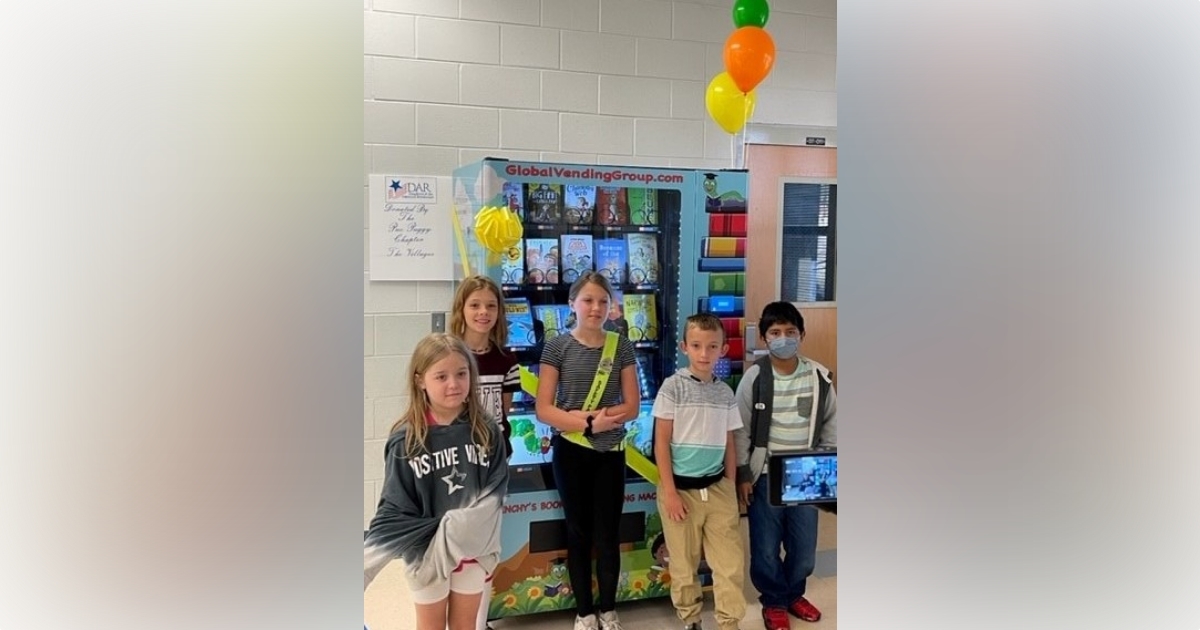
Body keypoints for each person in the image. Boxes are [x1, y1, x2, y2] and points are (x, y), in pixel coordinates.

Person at [364, 333, 510, 630]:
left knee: (465, 626)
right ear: (421, 381)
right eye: (441, 376)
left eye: (461, 373)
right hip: (425, 552)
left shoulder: (487, 432)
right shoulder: (406, 440)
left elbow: (495, 496)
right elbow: (394, 509)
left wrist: (456, 531)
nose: (453, 384)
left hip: (473, 549)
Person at [535, 271, 641, 630]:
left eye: (602, 301)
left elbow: (633, 406)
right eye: (588, 300)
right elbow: (544, 409)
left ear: (611, 307)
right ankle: (584, 613)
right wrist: (587, 424)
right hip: (571, 451)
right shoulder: (557, 347)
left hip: (611, 453)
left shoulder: (621, 345)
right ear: (572, 304)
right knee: (577, 531)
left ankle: (608, 610)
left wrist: (598, 419)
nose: (595, 307)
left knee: (607, 533)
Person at [734, 302, 837, 630]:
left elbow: (832, 423)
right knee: (765, 546)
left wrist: (827, 467)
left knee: (804, 548)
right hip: (765, 475)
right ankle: (774, 600)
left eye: (790, 332)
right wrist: (743, 473)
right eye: (775, 333)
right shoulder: (754, 378)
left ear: (802, 334)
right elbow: (740, 429)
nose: (783, 338)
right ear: (764, 338)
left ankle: (795, 593)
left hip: (805, 474)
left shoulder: (819, 376)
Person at [652, 313, 746, 630]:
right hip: (679, 492)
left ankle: (729, 621)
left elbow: (730, 442)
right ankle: (691, 618)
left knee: (729, 563)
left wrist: (730, 486)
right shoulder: (672, 388)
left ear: (723, 349)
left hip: (718, 489)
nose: (704, 354)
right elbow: (661, 442)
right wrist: (669, 492)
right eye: (696, 346)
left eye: (712, 346)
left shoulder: (725, 393)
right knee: (684, 563)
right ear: (684, 348)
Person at [449, 275, 520, 461]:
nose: (483, 312)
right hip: (458, 453)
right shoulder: (448, 357)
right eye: (474, 305)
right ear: (461, 309)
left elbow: (503, 410)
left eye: (491, 306)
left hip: (496, 451)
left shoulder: (507, 360)